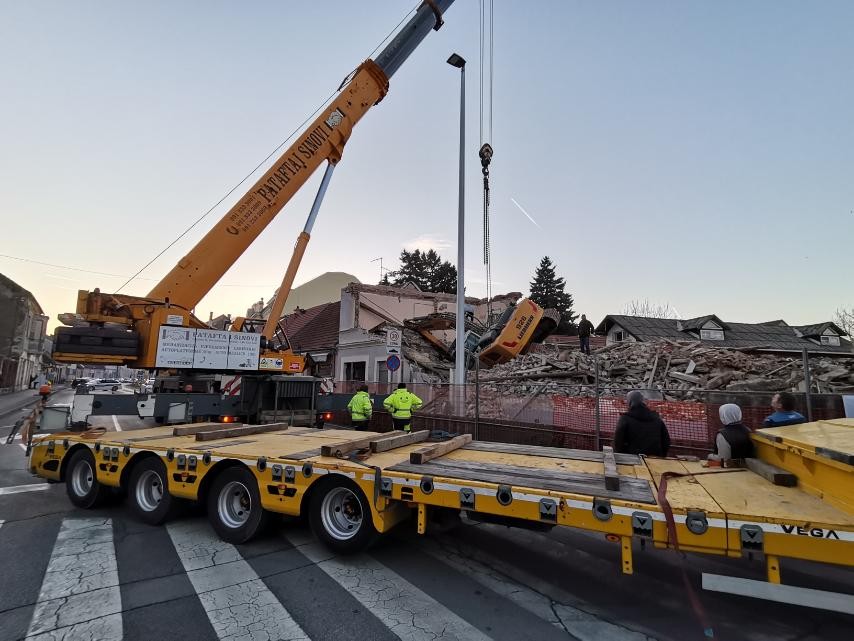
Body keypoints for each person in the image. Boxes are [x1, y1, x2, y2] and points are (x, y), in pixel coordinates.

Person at [613, 390, 671, 456]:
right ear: (643, 401)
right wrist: (662, 456)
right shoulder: (657, 419)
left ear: (629, 402)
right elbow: (666, 441)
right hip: (655, 458)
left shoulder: (625, 419)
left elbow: (618, 442)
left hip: (632, 457)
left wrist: (621, 454)